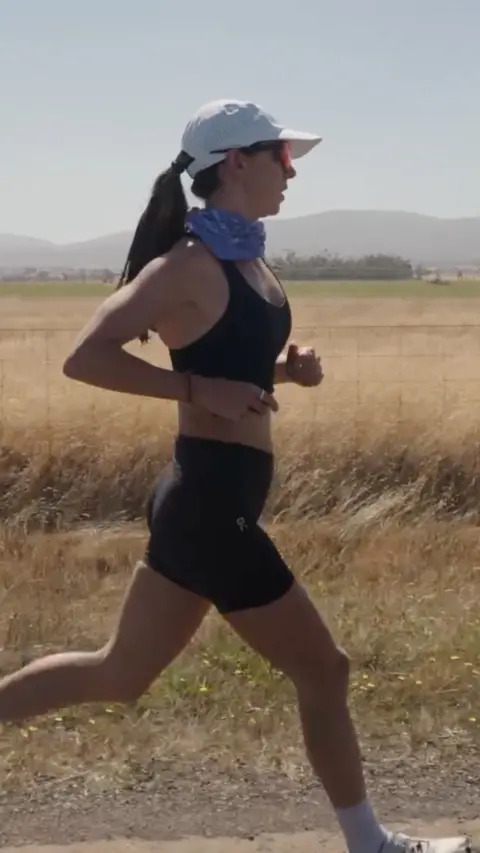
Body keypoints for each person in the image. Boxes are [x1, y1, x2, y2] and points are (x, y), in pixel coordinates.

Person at [0, 99, 470, 853]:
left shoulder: (248, 256)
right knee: (325, 667)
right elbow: (85, 355)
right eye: (281, 157)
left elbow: (223, 356)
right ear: (236, 163)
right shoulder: (186, 263)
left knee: (119, 673)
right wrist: (194, 391)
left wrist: (286, 368)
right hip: (213, 505)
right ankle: (371, 843)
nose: (292, 172)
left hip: (208, 500)